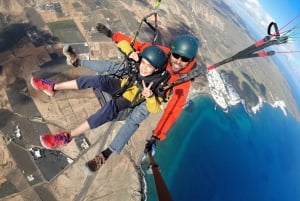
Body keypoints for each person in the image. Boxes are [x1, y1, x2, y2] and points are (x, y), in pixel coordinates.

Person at [63, 23, 199, 172]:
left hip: (152, 97)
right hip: (139, 80)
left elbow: (173, 110)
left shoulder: (183, 82)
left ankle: (104, 155)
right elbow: (138, 46)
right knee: (114, 67)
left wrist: (156, 137)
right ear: (171, 52)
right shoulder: (162, 52)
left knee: (135, 119)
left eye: (184, 59)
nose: (178, 61)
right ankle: (78, 62)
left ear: (190, 60)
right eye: (176, 55)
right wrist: (111, 35)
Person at [31, 45, 170, 157]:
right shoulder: (139, 62)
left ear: (156, 69)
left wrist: (150, 96)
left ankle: (67, 137)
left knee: (108, 109)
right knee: (97, 80)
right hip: (121, 84)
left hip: (128, 99)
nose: (144, 68)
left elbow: (154, 109)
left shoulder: (158, 84)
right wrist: (131, 52)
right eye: (143, 63)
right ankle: (52, 87)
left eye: (149, 66)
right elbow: (123, 44)